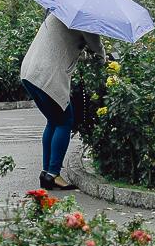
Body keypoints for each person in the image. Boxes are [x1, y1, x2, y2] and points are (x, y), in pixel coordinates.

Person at [20, 12, 105, 190]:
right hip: (47, 76)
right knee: (65, 121)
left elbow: (63, 45)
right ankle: (53, 174)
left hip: (30, 72)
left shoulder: (60, 11)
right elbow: (95, 45)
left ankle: (46, 173)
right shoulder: (84, 18)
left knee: (54, 120)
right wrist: (103, 56)